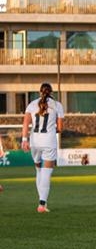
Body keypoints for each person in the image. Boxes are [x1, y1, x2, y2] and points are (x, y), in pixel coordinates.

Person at [21, 83, 64, 212]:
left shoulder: (31, 105)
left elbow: (25, 123)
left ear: (40, 93)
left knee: (38, 170)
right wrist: (51, 130)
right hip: (49, 142)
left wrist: (24, 140)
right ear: (51, 93)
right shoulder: (57, 105)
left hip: (34, 142)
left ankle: (41, 201)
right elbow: (60, 128)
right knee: (46, 172)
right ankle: (42, 203)